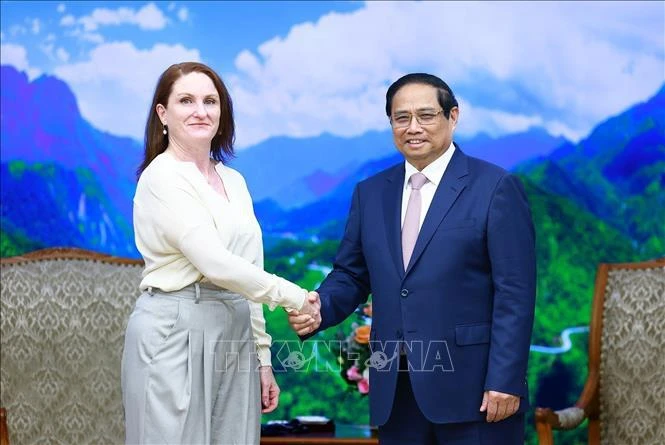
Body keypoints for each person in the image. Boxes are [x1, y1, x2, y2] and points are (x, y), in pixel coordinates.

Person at [289, 73, 536, 444]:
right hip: (396, 394)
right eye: (401, 118)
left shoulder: (496, 188)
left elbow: (515, 293)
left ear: (453, 116)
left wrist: (505, 379)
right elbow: (352, 275)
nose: (413, 127)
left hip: (476, 394)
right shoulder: (370, 193)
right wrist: (320, 307)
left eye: (426, 115)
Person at [121, 61, 320, 445]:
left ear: (222, 112)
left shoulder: (234, 180)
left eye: (210, 101)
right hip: (173, 328)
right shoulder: (161, 177)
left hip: (235, 330)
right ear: (163, 113)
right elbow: (214, 262)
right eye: (186, 100)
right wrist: (296, 297)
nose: (200, 110)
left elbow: (248, 270)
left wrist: (263, 357)